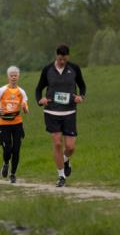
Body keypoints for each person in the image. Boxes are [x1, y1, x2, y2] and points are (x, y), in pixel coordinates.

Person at [35, 44, 87, 188]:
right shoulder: (47, 69)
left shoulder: (74, 68)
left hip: (69, 112)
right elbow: (39, 89)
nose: (62, 61)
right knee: (57, 143)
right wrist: (40, 100)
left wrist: (81, 97)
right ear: (56, 56)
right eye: (60, 59)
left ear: (68, 57)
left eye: (64, 59)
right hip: (51, 111)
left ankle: (65, 159)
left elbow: (82, 86)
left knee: (70, 147)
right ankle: (61, 176)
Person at [0, 66, 29, 184]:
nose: (13, 77)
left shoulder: (21, 92)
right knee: (7, 149)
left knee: (16, 150)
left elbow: (26, 110)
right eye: (11, 75)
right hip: (4, 124)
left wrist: (24, 108)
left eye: (15, 75)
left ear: (18, 77)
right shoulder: (2, 90)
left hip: (17, 123)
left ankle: (13, 174)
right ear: (8, 77)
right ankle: (6, 163)